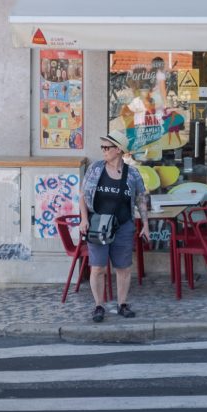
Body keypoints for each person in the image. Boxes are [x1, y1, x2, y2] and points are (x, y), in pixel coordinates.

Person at [79, 131, 150, 323]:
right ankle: (98, 305)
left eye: (106, 148)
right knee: (98, 268)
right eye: (102, 147)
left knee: (123, 268)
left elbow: (141, 198)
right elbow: (83, 196)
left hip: (123, 225)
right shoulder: (95, 169)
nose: (103, 151)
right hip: (97, 225)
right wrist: (84, 219)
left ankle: (122, 304)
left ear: (118, 150)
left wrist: (145, 224)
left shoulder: (132, 173)